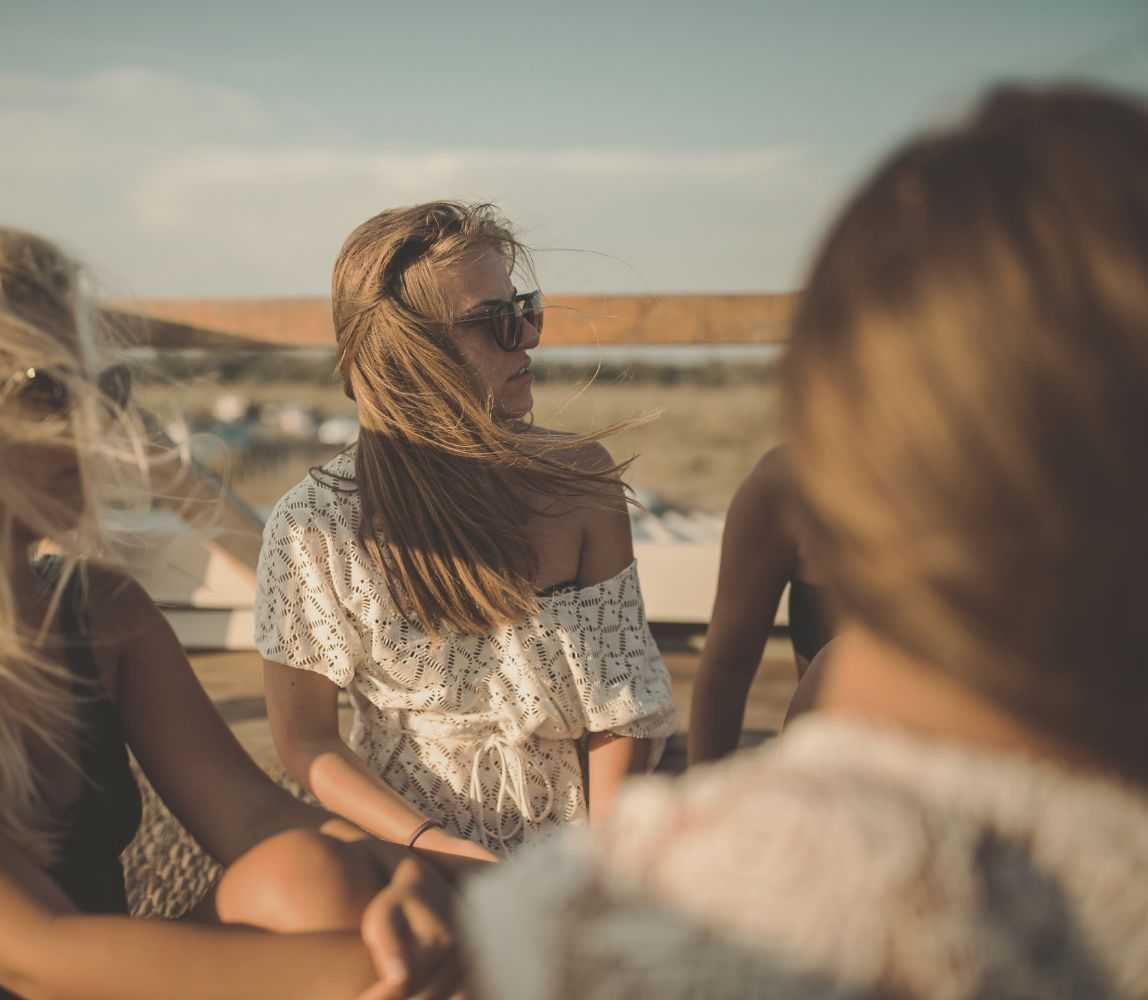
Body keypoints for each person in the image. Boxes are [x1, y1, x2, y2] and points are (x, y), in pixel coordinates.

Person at [461, 84, 1148, 998]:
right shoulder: (779, 492)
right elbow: (728, 655)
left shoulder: (588, 918)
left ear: (835, 393)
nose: (525, 341)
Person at [0, 223, 461, 1000]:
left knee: (315, 875)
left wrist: (398, 872)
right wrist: (444, 969)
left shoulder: (102, 615)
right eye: (45, 390)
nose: (98, 428)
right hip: (55, 970)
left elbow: (256, 819)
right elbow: (35, 955)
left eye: (106, 389)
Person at [258, 202, 678, 863]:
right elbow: (308, 743)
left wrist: (599, 869)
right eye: (498, 323)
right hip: (408, 854)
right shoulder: (313, 527)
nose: (530, 338)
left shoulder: (578, 484)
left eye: (527, 308)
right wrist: (436, 850)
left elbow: (621, 709)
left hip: (573, 851)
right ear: (409, 353)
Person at [688, 445, 835, 763]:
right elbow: (727, 667)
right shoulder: (787, 481)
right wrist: (706, 793)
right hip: (831, 770)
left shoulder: (961, 479)